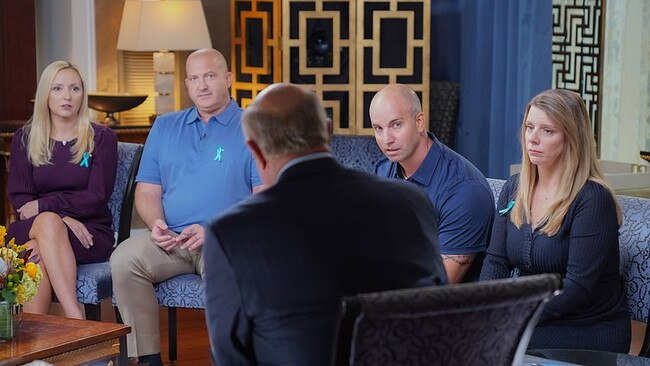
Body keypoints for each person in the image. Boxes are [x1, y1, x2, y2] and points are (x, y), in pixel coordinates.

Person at [204, 83, 448, 366]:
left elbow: (230, 358)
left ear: (255, 151)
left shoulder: (229, 233)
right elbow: (436, 316)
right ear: (328, 132)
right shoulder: (410, 201)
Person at [110, 48, 262, 366]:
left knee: (229, 270)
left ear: (229, 79)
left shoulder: (255, 126)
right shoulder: (166, 127)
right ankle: (147, 359)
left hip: (225, 240)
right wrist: (157, 225)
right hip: (173, 239)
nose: (201, 85)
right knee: (125, 259)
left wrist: (214, 231)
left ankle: (228, 358)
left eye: (209, 76)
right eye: (193, 78)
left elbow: (264, 199)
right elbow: (148, 191)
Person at [480, 89, 631, 352]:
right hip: (537, 318)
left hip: (587, 327)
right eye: (529, 127)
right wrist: (485, 309)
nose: (533, 139)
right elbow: (496, 261)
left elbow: (578, 287)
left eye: (547, 131)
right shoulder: (515, 187)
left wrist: (514, 318)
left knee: (492, 344)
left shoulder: (592, 198)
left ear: (571, 139)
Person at [7, 60, 118, 319]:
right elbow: (22, 203)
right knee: (47, 226)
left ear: (83, 94)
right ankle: (75, 319)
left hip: (89, 232)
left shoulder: (101, 138)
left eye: (75, 88)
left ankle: (38, 349)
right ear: (45, 93)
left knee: (39, 252)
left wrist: (48, 207)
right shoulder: (24, 138)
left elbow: (96, 197)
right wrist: (60, 218)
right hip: (34, 224)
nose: (67, 96)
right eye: (57, 88)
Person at [370, 84, 494, 283]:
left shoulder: (464, 191)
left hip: (446, 308)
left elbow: (437, 286)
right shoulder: (383, 170)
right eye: (378, 128)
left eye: (396, 125)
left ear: (420, 122)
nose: (386, 139)